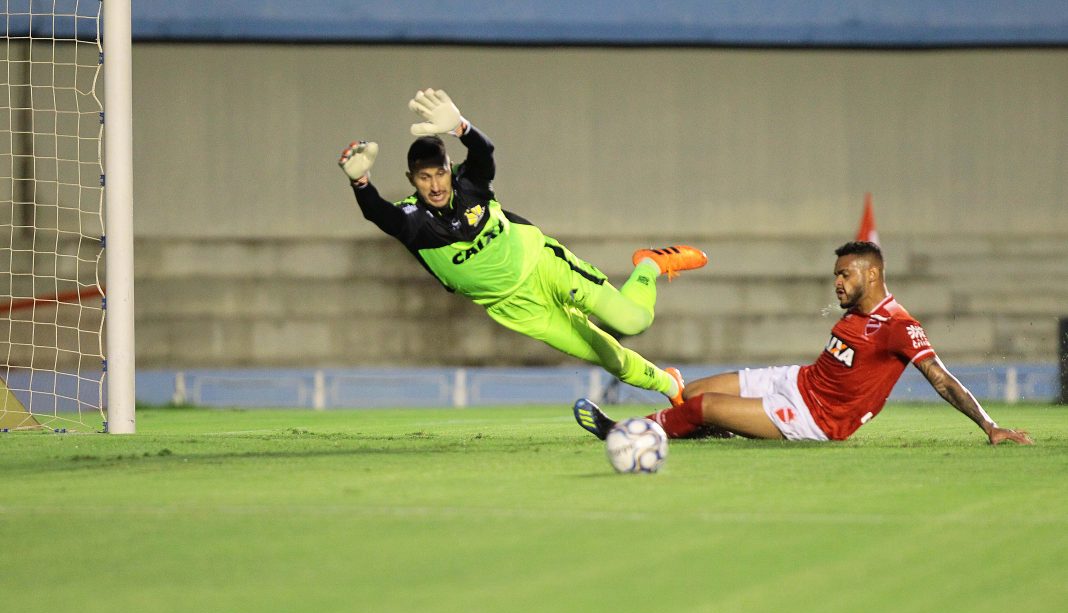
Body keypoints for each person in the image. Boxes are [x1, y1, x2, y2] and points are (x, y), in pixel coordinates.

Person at [338, 88, 707, 405]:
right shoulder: (414, 220)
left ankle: (649, 264)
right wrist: (361, 184)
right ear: (411, 180)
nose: (435, 185)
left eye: (440, 173)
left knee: (633, 320)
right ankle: (671, 385)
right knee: (608, 357)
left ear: (450, 169)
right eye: (424, 177)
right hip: (515, 308)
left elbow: (485, 153)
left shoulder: (471, 184)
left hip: (544, 265)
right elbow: (381, 216)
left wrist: (461, 127)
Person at [574, 240, 1033, 445]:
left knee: (702, 407)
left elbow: (941, 379)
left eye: (845, 274)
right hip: (797, 381)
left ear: (872, 274)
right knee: (690, 391)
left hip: (815, 418)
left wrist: (989, 425)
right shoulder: (857, 313)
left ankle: (622, 431)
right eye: (835, 274)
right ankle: (714, 427)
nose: (836, 282)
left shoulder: (897, 324)